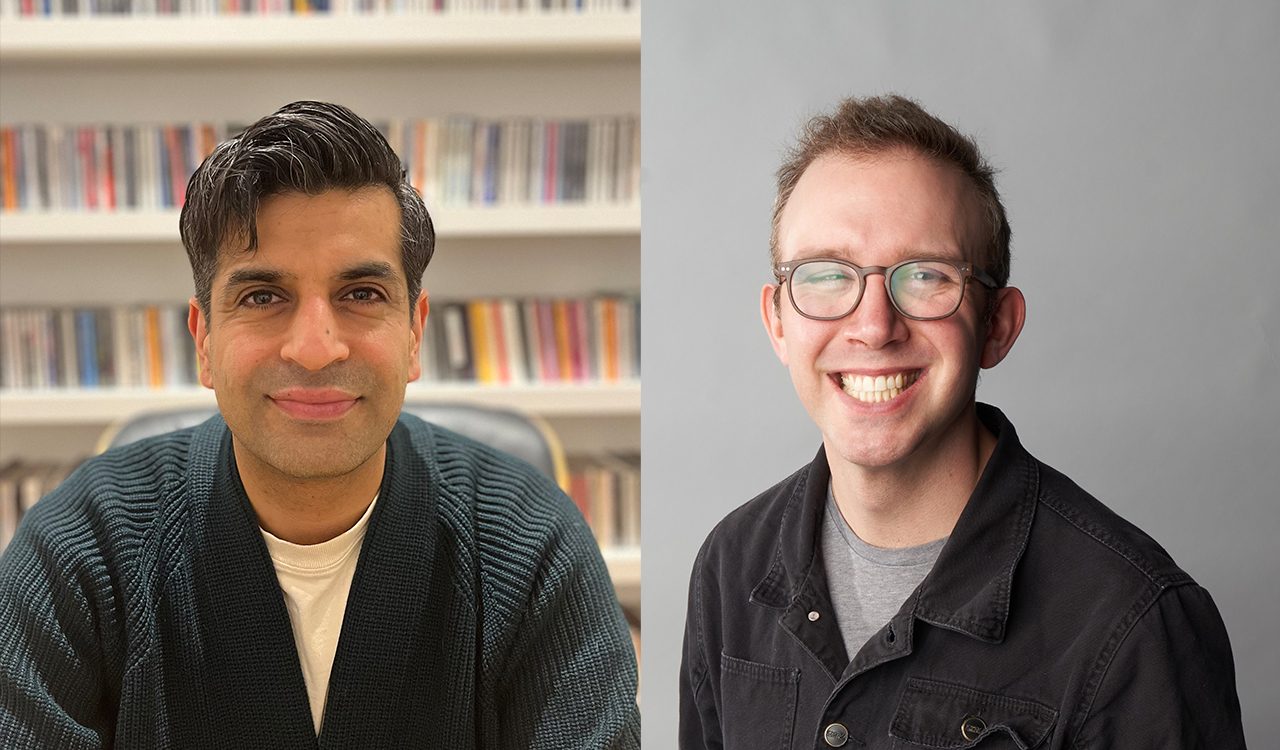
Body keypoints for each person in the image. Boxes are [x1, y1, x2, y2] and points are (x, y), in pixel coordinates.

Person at [0, 101, 639, 749]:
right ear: (203, 341)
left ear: (415, 334)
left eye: (361, 294)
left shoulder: (533, 547)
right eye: (262, 297)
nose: (314, 347)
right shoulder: (79, 552)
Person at [679, 95, 1245, 749]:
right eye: (826, 275)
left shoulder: (1136, 622)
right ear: (778, 321)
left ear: (998, 327)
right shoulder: (729, 568)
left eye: (925, 276)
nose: (873, 327)